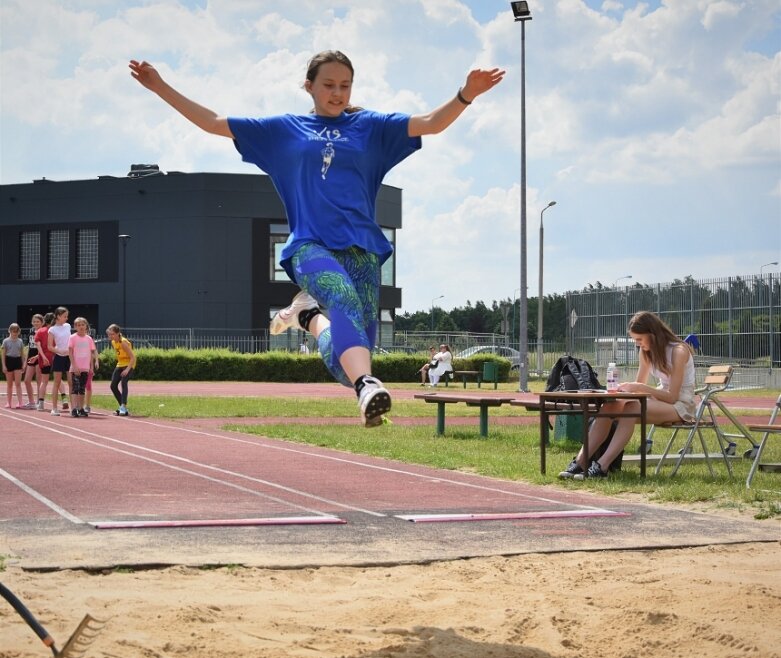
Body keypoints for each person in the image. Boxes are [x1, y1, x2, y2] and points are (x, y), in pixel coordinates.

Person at [129, 52, 504, 427]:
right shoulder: (283, 130)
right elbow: (213, 123)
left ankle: (307, 317)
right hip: (311, 245)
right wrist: (159, 86)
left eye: (345, 85)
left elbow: (430, 123)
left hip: (362, 249)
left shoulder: (370, 126)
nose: (337, 93)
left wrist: (466, 94)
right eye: (328, 85)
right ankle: (367, 385)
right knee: (341, 304)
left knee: (347, 363)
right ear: (309, 86)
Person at [559, 311, 697, 480]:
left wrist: (639, 387)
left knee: (632, 407)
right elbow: (638, 391)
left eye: (639, 339)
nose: (637, 344)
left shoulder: (679, 350)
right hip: (660, 400)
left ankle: (602, 466)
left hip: (681, 405)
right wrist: (622, 391)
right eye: (635, 340)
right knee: (610, 405)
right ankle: (580, 462)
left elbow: (673, 396)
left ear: (653, 335)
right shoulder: (646, 351)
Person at [68, 318, 99, 417]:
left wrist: (91, 367)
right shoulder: (72, 338)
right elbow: (70, 353)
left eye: (83, 325)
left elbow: (91, 353)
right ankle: (73, 409)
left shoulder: (89, 339)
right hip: (76, 367)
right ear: (75, 327)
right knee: (75, 388)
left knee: (82, 389)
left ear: (86, 326)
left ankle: (81, 408)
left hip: (85, 368)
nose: (81, 327)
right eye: (78, 325)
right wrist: (74, 366)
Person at [106, 324, 136, 416]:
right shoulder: (113, 342)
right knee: (113, 386)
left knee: (124, 382)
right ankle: (122, 407)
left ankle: (123, 406)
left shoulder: (123, 342)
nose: (110, 336)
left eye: (112, 334)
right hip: (120, 364)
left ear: (118, 333)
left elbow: (133, 357)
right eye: (109, 334)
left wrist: (127, 369)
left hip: (129, 364)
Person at [47, 306, 72, 416]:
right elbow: (49, 346)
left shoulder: (68, 326)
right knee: (57, 382)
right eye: (64, 316)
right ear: (58, 316)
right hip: (59, 357)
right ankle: (54, 408)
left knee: (71, 382)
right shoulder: (52, 329)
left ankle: (74, 408)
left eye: (67, 316)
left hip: (69, 357)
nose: (66, 318)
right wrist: (59, 350)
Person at [21, 314, 44, 409]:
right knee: (26, 380)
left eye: (38, 321)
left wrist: (38, 356)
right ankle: (31, 402)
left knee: (39, 380)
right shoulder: (31, 331)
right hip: (31, 356)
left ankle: (40, 401)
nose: (35, 323)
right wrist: (25, 362)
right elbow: (29, 347)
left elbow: (44, 347)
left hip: (39, 357)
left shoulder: (43, 332)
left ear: (42, 322)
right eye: (34, 321)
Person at [33, 312, 55, 411]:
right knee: (58, 381)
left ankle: (41, 403)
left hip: (45, 359)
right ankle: (64, 399)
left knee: (44, 381)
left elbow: (38, 346)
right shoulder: (54, 331)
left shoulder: (40, 331)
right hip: (55, 358)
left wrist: (41, 356)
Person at [2, 323, 26, 409]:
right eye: (13, 331)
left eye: (16, 331)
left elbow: (22, 353)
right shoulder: (5, 341)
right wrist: (4, 365)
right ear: (10, 331)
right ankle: (8, 402)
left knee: (18, 383)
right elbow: (3, 354)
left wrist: (24, 364)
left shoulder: (20, 341)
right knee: (9, 384)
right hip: (9, 361)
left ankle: (20, 402)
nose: (14, 333)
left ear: (19, 332)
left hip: (17, 361)